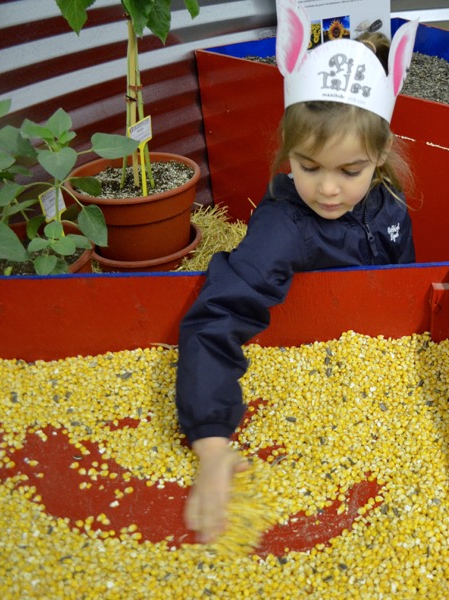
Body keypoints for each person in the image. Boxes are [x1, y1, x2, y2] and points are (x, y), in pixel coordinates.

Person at [176, 0, 419, 544]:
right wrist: (212, 438)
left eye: (348, 170)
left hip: (382, 386)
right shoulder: (284, 229)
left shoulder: (389, 204)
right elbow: (218, 316)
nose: (327, 189)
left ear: (379, 158)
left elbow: (405, 287)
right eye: (308, 167)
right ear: (288, 154)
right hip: (306, 385)